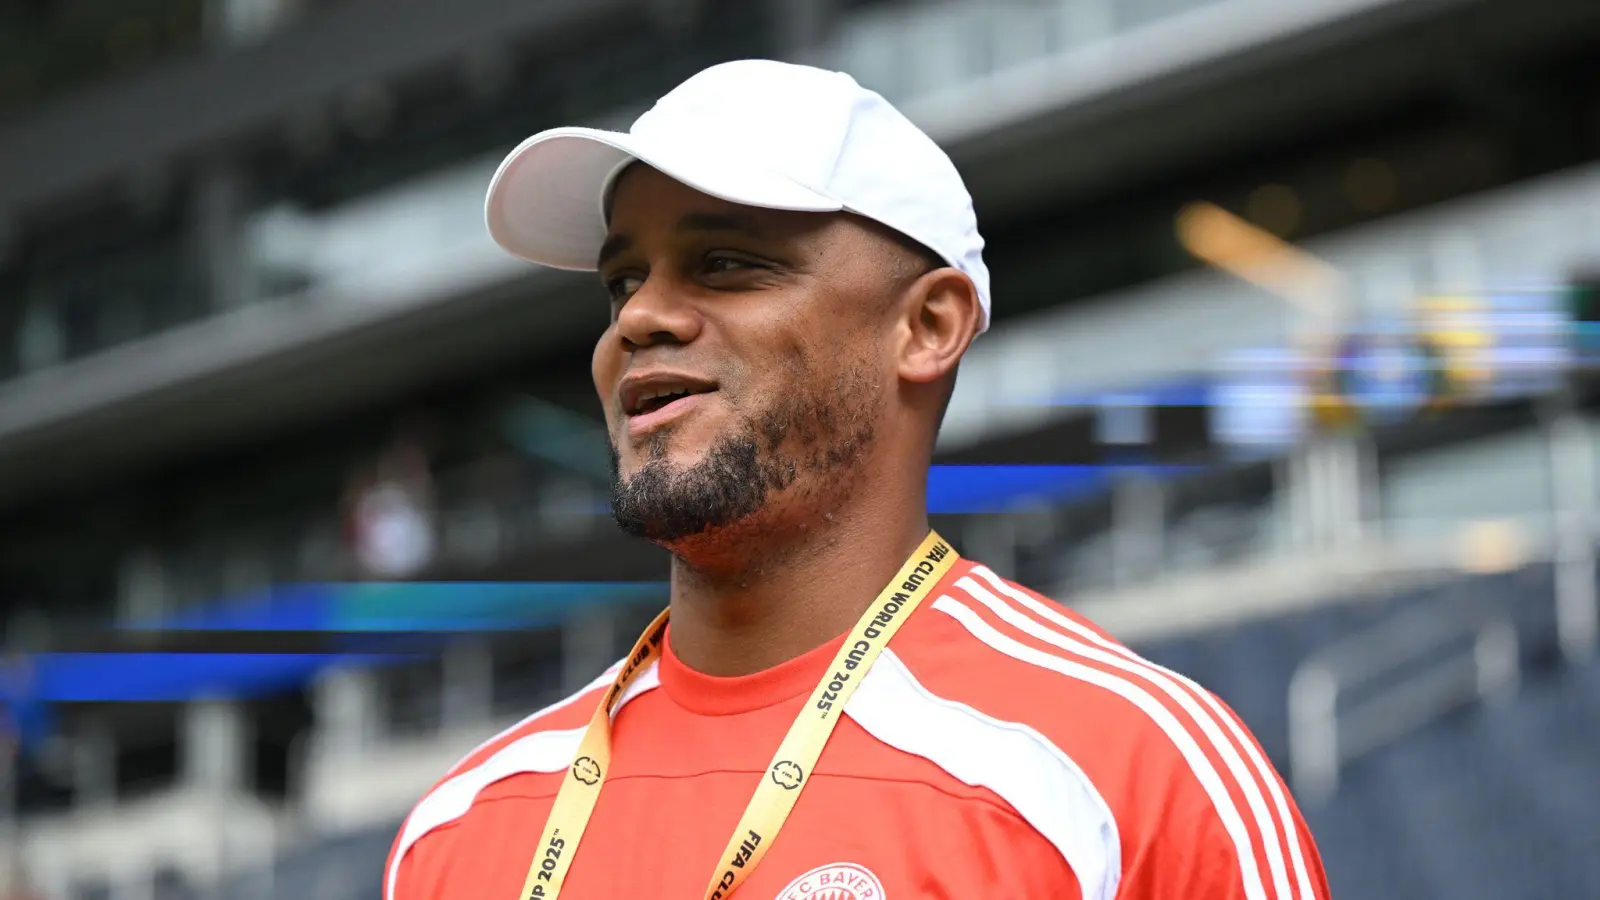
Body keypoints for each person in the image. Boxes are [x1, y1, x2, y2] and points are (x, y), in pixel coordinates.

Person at [386, 60, 1331, 900]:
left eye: (724, 264)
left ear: (925, 327)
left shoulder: (1124, 771)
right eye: (621, 282)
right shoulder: (460, 830)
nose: (640, 319)